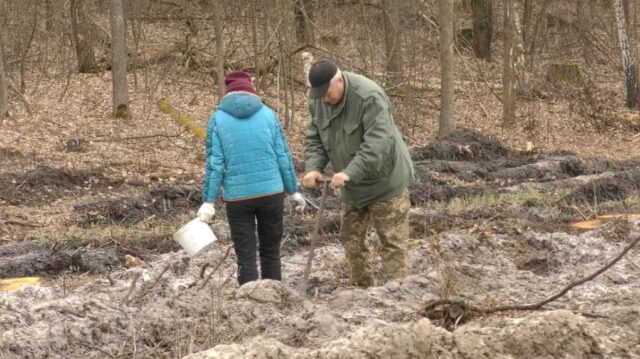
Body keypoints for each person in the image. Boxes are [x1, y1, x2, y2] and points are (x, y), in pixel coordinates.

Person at [301, 60, 414, 287]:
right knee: (351, 239)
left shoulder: (370, 97)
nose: (324, 99)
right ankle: (362, 291)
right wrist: (314, 167)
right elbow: (315, 138)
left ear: (340, 81)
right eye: (319, 94)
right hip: (352, 185)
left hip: (385, 180)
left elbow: (378, 143)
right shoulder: (319, 101)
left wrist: (350, 172)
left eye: (326, 93)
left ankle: (396, 295)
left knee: (392, 241)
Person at [198, 70, 306, 286]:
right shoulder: (269, 114)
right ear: (251, 89)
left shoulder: (217, 119)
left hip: (238, 198)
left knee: (245, 256)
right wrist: (293, 190)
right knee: (271, 251)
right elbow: (282, 156)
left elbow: (215, 163)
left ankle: (248, 301)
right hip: (272, 193)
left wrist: (208, 201)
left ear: (227, 90)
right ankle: (274, 294)